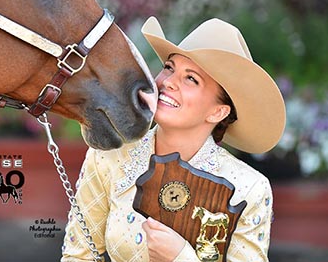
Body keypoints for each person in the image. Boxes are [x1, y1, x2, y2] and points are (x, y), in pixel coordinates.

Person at [61, 17, 286, 262]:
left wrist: (181, 257)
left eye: (191, 79)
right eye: (169, 68)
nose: (168, 82)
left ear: (218, 112)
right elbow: (77, 256)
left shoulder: (249, 188)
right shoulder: (110, 157)